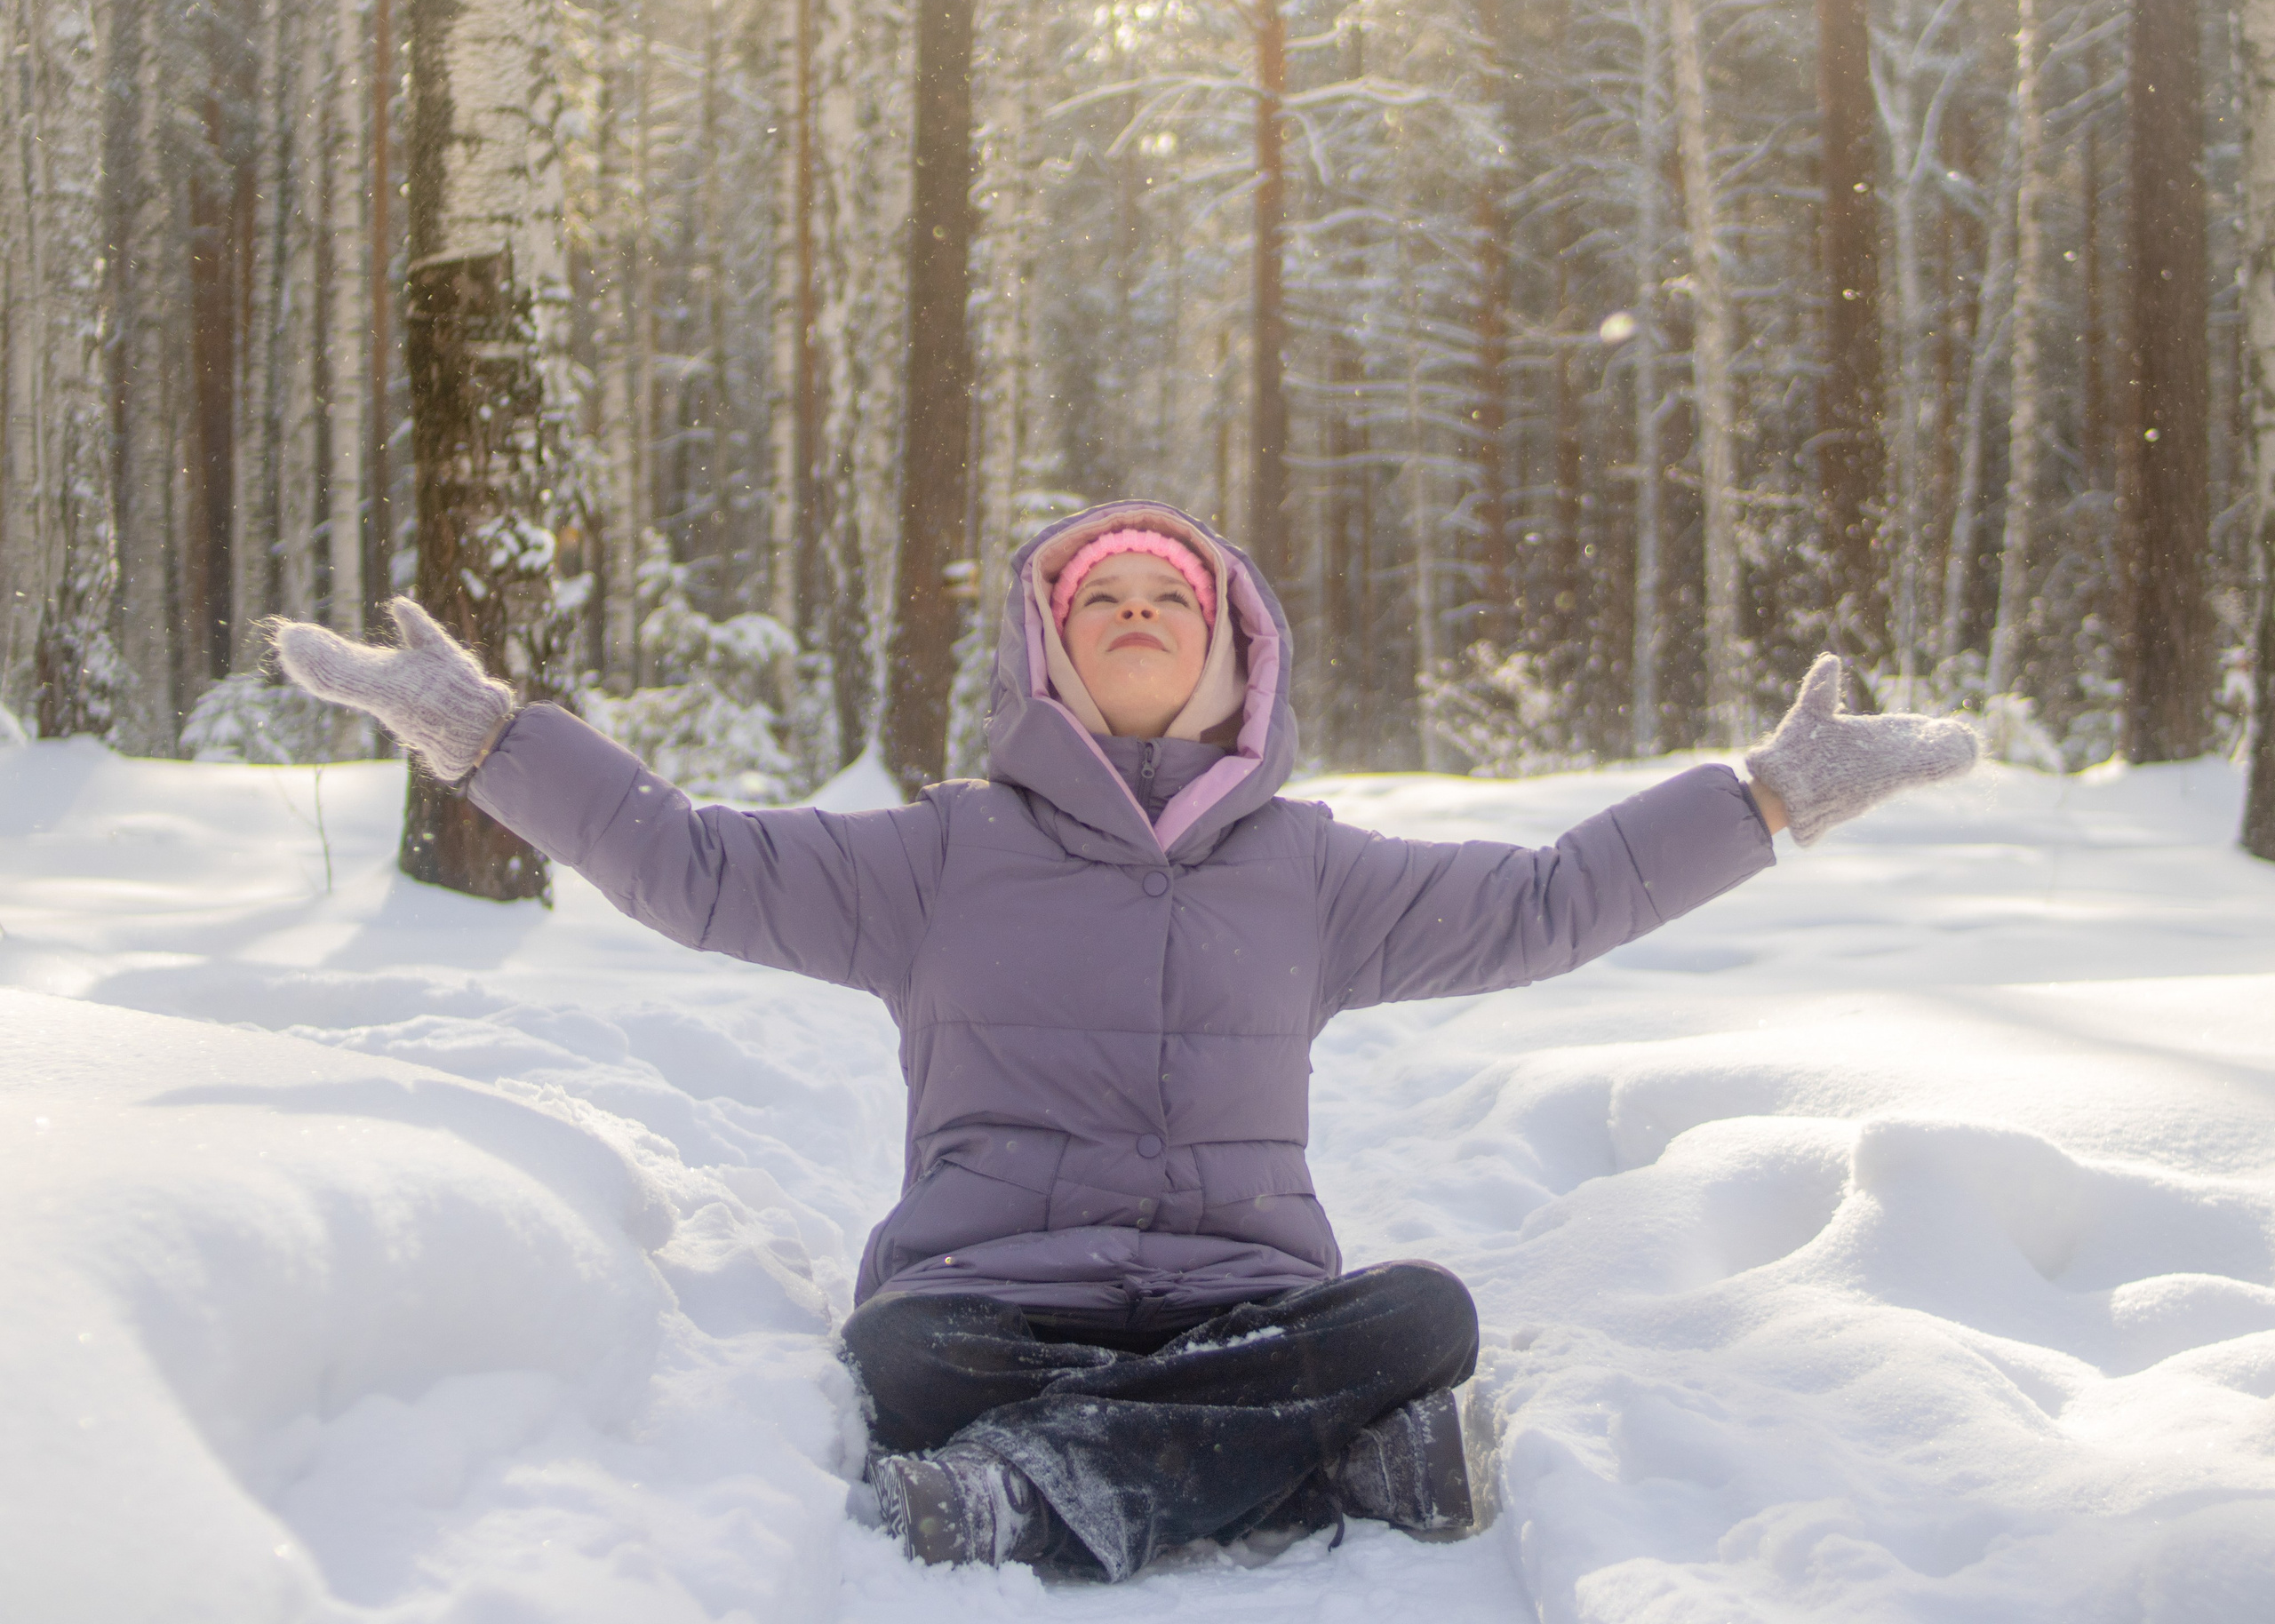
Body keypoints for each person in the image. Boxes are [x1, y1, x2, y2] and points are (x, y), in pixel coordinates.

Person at [272, 499, 1976, 1581]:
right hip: (994, 1303)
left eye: (1175, 592)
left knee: (1423, 1310)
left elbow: (1548, 901)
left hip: (1250, 1294)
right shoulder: (939, 855)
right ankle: (1299, 1459)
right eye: (1103, 599)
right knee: (902, 1363)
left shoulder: (1313, 873)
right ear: (1055, 659)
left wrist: (1764, 801)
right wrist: (483, 736)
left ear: (1235, 655)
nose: (1140, 608)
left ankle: (1046, 1492)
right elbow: (689, 862)